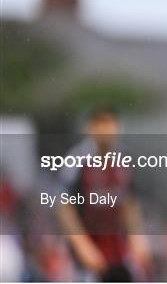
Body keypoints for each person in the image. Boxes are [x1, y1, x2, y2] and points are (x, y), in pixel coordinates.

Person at [57, 107, 151, 281]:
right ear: (90, 128)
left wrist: (137, 238)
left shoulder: (124, 160)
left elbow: (129, 203)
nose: (104, 130)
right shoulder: (78, 161)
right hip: (88, 251)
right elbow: (65, 209)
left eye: (108, 124)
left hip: (118, 249)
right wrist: (82, 246)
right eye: (99, 124)